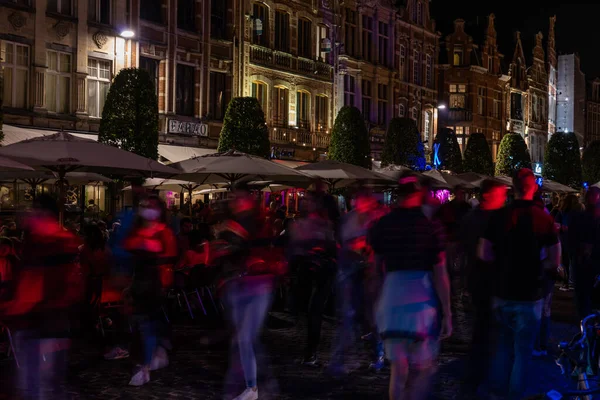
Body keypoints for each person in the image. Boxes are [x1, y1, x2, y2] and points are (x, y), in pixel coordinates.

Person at [368, 172, 452, 400]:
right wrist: (447, 311)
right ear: (418, 193)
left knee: (398, 370)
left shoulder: (383, 224)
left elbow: (375, 270)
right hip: (420, 302)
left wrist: (375, 304)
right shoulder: (430, 226)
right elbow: (440, 273)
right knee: (425, 367)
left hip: (392, 299)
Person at [479, 168, 560, 399]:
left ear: (512, 188)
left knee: (503, 347)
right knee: (522, 352)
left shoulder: (498, 216)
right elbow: (555, 260)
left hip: (502, 290)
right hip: (530, 294)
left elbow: (483, 252)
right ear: (533, 187)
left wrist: (502, 264)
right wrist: (536, 266)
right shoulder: (544, 218)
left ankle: (497, 393)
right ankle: (514, 395)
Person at [216, 183, 281, 400]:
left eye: (239, 197)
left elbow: (251, 246)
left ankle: (253, 386)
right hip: (239, 283)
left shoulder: (258, 221)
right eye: (234, 197)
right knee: (243, 339)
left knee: (245, 337)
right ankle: (253, 383)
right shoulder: (236, 221)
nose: (236, 201)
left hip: (258, 283)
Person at [329, 186, 387, 374]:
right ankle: (343, 357)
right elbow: (342, 244)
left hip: (370, 272)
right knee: (348, 314)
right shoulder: (350, 219)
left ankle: (378, 354)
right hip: (351, 270)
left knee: (372, 315)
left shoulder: (376, 220)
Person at [458, 180, 507, 392]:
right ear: (487, 196)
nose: (504, 199)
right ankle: (483, 378)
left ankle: (477, 375)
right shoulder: (487, 220)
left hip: (479, 279)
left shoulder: (471, 218)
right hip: (488, 280)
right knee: (488, 330)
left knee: (482, 328)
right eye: (500, 194)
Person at [123, 195, 177, 386]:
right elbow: (126, 250)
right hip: (138, 283)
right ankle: (152, 354)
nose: (146, 209)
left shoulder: (164, 232)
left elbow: (169, 258)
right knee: (141, 325)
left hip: (153, 284)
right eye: (143, 205)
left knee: (146, 324)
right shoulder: (136, 231)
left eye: (150, 206)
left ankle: (145, 365)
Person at [288, 190, 337, 366]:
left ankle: (311, 351)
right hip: (307, 271)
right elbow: (294, 248)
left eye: (308, 200)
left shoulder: (323, 223)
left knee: (313, 311)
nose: (304, 203)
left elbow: (331, 247)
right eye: (305, 200)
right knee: (305, 310)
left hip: (322, 271)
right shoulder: (302, 223)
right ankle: (310, 349)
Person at [568, 187, 600, 319]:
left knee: (583, 301)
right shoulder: (584, 218)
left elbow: (570, 241)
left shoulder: (577, 218)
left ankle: (585, 327)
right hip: (593, 264)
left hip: (582, 264)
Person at [555, 194, 581, 291]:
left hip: (565, 240)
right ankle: (572, 282)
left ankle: (566, 282)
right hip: (576, 241)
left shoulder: (562, 212)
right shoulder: (579, 212)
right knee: (573, 261)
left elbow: (556, 226)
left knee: (565, 261)